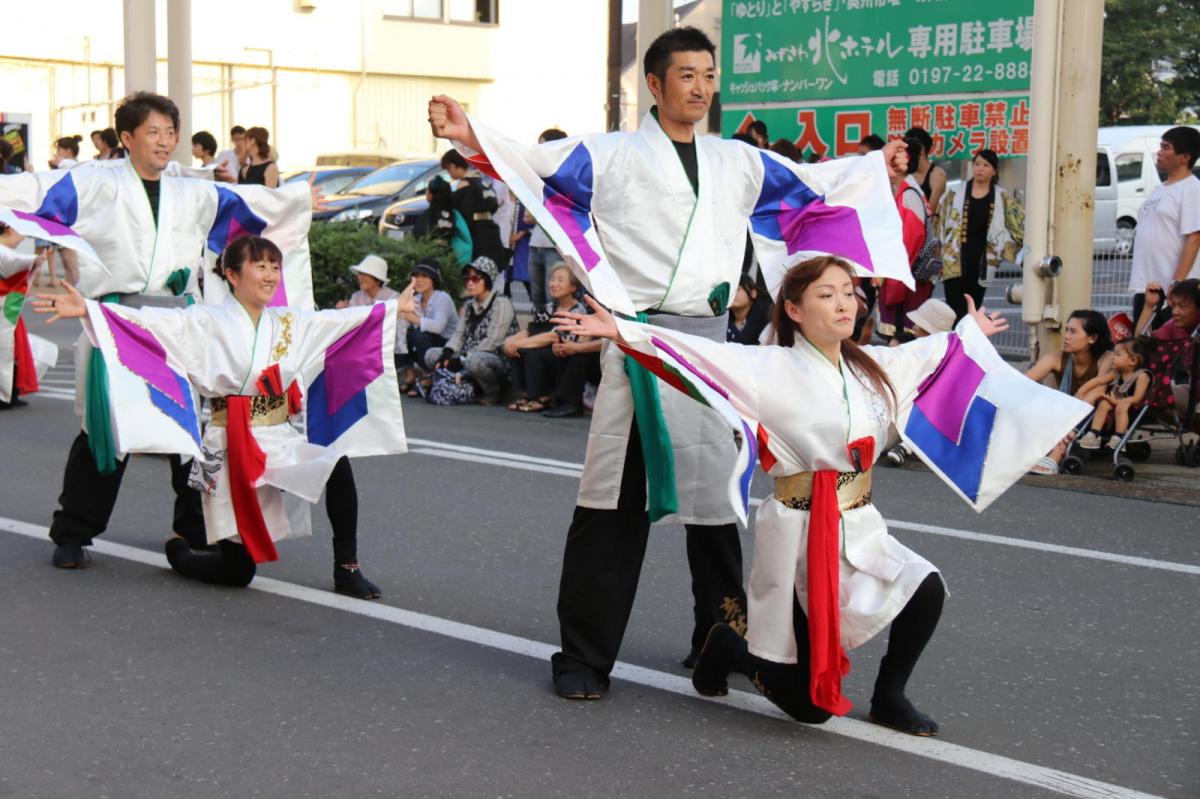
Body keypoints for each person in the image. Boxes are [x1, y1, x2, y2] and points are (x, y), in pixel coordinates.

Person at [428, 25, 913, 700]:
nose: (702, 88)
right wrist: (470, 133)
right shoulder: (615, 155)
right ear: (655, 85)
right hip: (640, 344)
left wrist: (874, 174)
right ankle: (583, 655)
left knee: (719, 503)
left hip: (710, 352)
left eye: (709, 75)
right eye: (687, 75)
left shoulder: (737, 162)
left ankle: (719, 634)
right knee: (613, 504)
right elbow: (534, 168)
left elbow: (809, 188)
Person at [555, 255, 1083, 734]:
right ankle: (730, 646)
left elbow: (934, 355)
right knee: (809, 709)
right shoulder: (767, 368)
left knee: (925, 589)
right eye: (827, 294)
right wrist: (623, 331)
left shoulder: (873, 364)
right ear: (794, 309)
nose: (844, 303)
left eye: (849, 292)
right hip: (799, 534)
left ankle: (889, 695)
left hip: (858, 519)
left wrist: (969, 334)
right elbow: (691, 354)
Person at [0, 90, 321, 569]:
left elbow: (249, 206)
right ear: (126, 138)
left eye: (171, 131)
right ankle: (73, 532)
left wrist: (294, 200)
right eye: (153, 131)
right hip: (117, 319)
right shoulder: (93, 182)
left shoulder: (192, 188)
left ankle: (193, 529)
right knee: (105, 428)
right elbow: (34, 192)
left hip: (176, 322)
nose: (165, 141)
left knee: (189, 431)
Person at [32, 235, 410, 597]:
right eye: (259, 266)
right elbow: (151, 324)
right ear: (231, 274)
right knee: (238, 573)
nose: (269, 275)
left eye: (275, 267)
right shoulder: (204, 322)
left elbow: (338, 323)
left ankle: (347, 568)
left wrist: (393, 309)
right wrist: (91, 311)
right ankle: (181, 555)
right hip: (229, 442)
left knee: (335, 462)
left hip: (278, 434)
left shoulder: (290, 322)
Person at [937, 149, 1024, 322]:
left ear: (994, 171)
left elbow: (1018, 224)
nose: (980, 169)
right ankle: (956, 347)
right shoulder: (954, 193)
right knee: (954, 312)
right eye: (976, 164)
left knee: (972, 312)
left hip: (983, 265)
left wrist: (1025, 250)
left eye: (986, 165)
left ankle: (967, 347)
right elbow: (939, 224)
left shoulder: (1002, 197)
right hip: (953, 262)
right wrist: (937, 255)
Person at [1024, 310, 1115, 474]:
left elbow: (1098, 392)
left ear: (1092, 338)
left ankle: (1056, 455)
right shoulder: (1059, 357)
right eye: (1066, 330)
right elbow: (1023, 382)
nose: (1066, 336)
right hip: (1067, 414)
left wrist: (1080, 395)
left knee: (1093, 399)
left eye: (1073, 332)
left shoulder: (1106, 358)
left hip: (1097, 419)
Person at [1128, 126, 1200, 322]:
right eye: (1160, 147)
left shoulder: (1192, 188)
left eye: (1166, 148)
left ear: (1184, 157)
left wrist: (1176, 284)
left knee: (1166, 349)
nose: (1160, 153)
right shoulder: (1159, 190)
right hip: (1147, 286)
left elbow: (1194, 238)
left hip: (1171, 293)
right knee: (1141, 348)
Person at [425, 256, 517, 405]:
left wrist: (461, 359)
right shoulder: (469, 305)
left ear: (487, 280)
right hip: (468, 355)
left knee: (474, 361)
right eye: (467, 279)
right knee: (431, 355)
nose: (469, 283)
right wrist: (448, 353)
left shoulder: (501, 303)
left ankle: (493, 391)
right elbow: (459, 335)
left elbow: (493, 341)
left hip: (495, 358)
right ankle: (465, 383)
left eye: (475, 279)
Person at [504, 263, 589, 412]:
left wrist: (519, 344)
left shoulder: (577, 310)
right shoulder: (549, 308)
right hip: (544, 349)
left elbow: (553, 336)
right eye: (553, 279)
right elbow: (531, 330)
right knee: (517, 351)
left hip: (563, 353)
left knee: (530, 352)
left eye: (560, 280)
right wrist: (510, 342)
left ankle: (541, 397)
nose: (554, 283)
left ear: (573, 287)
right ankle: (526, 395)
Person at [884, 298, 956, 465]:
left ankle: (907, 446)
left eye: (918, 325)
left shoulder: (911, 352)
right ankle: (908, 446)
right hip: (905, 419)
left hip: (893, 419)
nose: (914, 327)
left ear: (926, 330)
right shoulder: (946, 357)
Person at [877, 137, 935, 343]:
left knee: (901, 340)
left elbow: (906, 244)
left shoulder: (908, 194)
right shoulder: (910, 191)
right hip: (913, 280)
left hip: (906, 281)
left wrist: (892, 282)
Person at [0, 221, 49, 409]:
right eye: (21, 234)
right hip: (5, 307)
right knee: (6, 350)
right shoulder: (4, 252)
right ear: (10, 229)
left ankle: (10, 392)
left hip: (7, 307)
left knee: (12, 351)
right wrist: (33, 261)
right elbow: (12, 263)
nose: (23, 239)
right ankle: (5, 394)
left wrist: (34, 261)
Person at [1075, 337, 1153, 451]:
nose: (1113, 357)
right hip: (1115, 402)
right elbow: (1099, 380)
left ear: (1132, 360)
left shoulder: (1142, 376)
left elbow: (1137, 398)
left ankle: (1119, 437)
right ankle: (1094, 434)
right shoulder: (1117, 373)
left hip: (1133, 407)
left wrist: (1117, 402)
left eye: (1118, 355)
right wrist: (1082, 391)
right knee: (1103, 403)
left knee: (1122, 406)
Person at [395, 257, 458, 394]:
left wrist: (414, 319)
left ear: (434, 279)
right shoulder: (416, 298)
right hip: (426, 342)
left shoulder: (442, 298)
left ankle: (429, 376)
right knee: (400, 333)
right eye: (416, 275)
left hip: (447, 345)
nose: (419, 280)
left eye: (424, 276)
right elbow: (404, 324)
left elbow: (438, 327)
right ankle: (410, 374)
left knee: (419, 335)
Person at [440, 149, 507, 269]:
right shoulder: (482, 182)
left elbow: (464, 213)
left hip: (475, 235)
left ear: (452, 166)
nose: (449, 174)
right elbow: (494, 205)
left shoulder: (465, 185)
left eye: (448, 169)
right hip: (491, 232)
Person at [524, 128, 568, 306]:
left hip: (555, 245)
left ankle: (555, 333)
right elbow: (528, 215)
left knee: (554, 298)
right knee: (537, 298)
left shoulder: (564, 174)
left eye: (542, 145)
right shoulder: (538, 173)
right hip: (536, 242)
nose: (538, 149)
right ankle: (540, 331)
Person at [904, 126, 947, 212]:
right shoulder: (904, 174)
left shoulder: (937, 175)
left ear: (922, 148)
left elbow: (931, 212)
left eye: (910, 146)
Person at [727, 273, 769, 344]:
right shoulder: (723, 319)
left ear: (753, 293)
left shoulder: (763, 319)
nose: (731, 293)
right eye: (729, 290)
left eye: (737, 289)